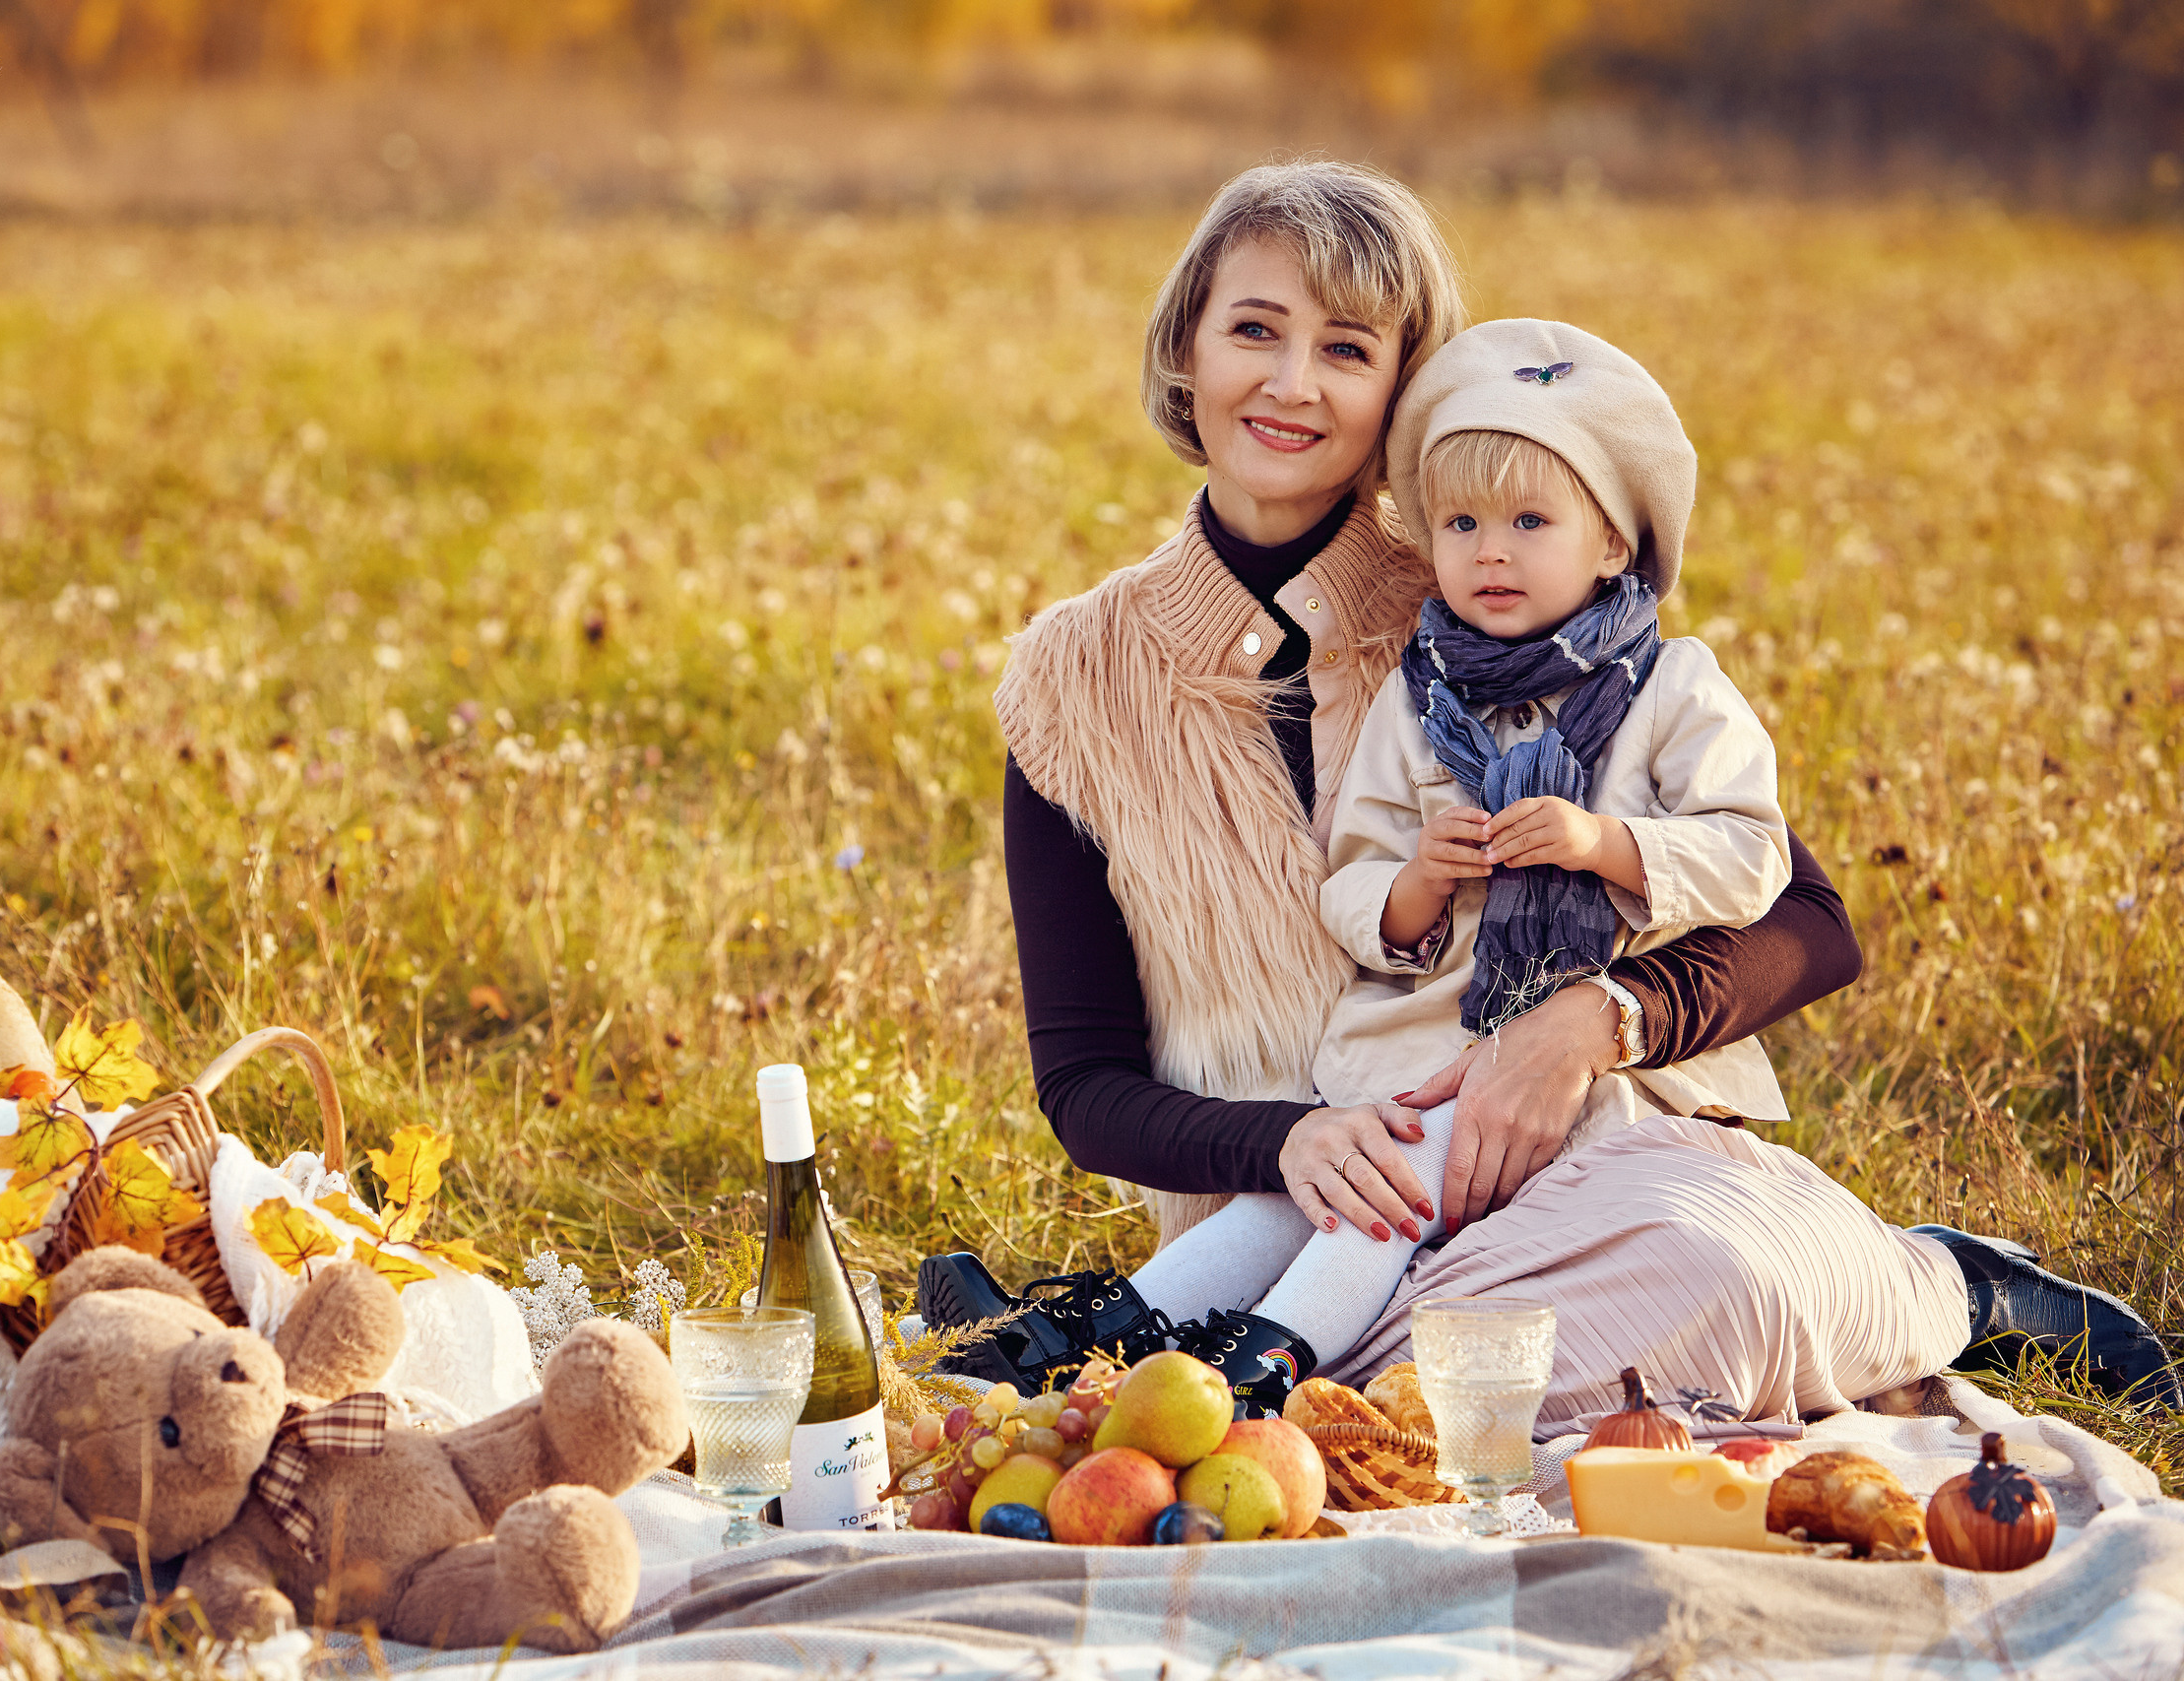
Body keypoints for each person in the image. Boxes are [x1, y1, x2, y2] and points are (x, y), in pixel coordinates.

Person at [918, 161, 2179, 1425]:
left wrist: (1591, 1023)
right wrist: (1287, 1142)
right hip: (1290, 1228)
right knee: (1422, 1404)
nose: (1293, 384)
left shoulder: (1509, 590)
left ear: (1404, 399)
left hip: (1570, 1181)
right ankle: (1197, 1355)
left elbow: (1810, 920)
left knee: (1710, 1283)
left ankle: (1945, 1282)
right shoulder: (1071, 681)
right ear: (1186, 349)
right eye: (1254, 330)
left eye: (1347, 350)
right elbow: (1084, 1086)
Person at [1113, 317, 1801, 1408]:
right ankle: (1118, 1336)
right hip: (1421, 1046)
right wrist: (1418, 884)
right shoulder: (1420, 695)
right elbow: (1351, 879)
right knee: (1327, 1176)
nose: (1491, 548)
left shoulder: (1675, 689)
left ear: (1613, 543)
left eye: (1532, 520)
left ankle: (1270, 1363)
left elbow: (1756, 855)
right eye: (1461, 522)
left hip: (1603, 1079)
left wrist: (1606, 844)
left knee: (1392, 1179)